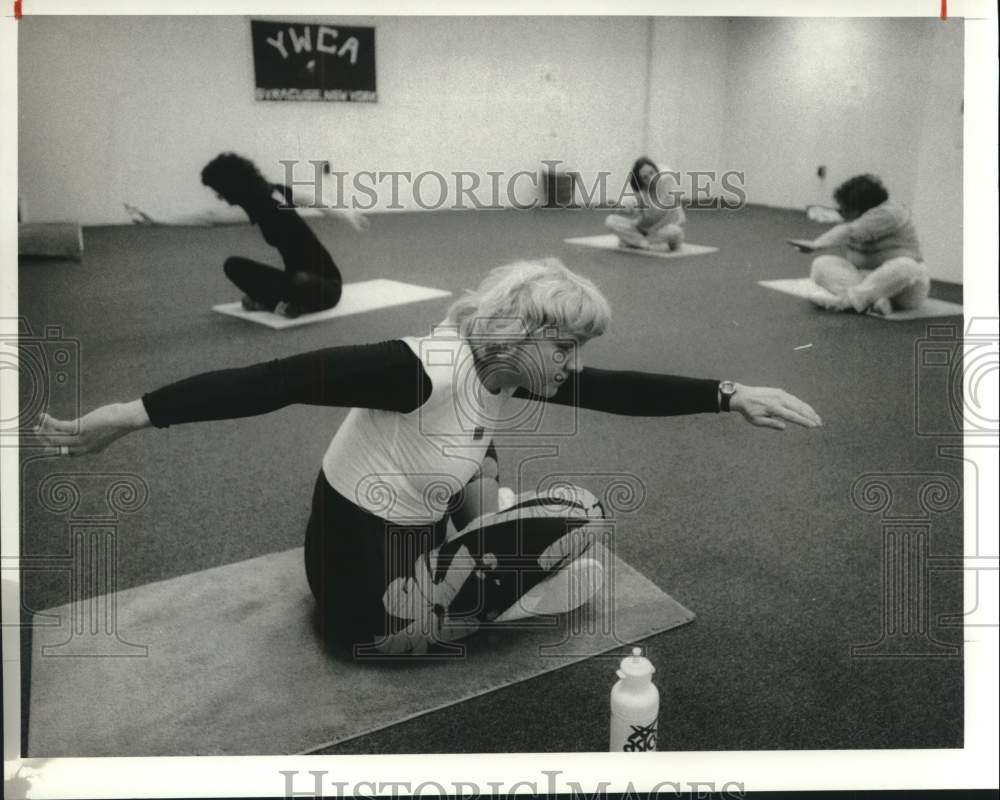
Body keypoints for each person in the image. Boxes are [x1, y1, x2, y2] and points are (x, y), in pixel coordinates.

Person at [34, 259, 822, 656]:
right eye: (568, 345)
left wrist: (727, 392)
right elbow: (274, 379)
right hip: (367, 620)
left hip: (377, 547)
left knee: (483, 454)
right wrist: (129, 416)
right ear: (520, 334)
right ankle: (498, 594)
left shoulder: (492, 364)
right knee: (583, 516)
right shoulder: (416, 367)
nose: (575, 363)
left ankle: (489, 566)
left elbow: (616, 389)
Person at [200, 152, 369, 318]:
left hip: (326, 288)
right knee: (233, 265)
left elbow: (211, 217)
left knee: (301, 280)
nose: (219, 197)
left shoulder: (263, 201)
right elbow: (311, 199)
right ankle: (284, 303)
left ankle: (277, 303)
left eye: (219, 191)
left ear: (231, 187)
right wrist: (347, 215)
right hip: (293, 279)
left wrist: (348, 215)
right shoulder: (273, 192)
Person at [789, 174, 930, 315]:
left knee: (906, 266)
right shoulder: (859, 215)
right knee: (820, 265)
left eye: (845, 208)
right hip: (868, 281)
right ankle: (872, 302)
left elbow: (850, 230)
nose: (842, 211)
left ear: (861, 207)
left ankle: (847, 303)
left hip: (904, 289)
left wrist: (817, 244)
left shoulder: (890, 213)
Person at [605, 156, 686, 252]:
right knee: (610, 221)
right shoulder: (640, 195)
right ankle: (643, 243)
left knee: (674, 231)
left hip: (667, 231)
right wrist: (620, 208)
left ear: (656, 171)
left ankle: (634, 242)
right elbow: (623, 207)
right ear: (642, 182)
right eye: (645, 177)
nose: (651, 178)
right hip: (646, 232)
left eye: (652, 173)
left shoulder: (667, 181)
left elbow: (680, 221)